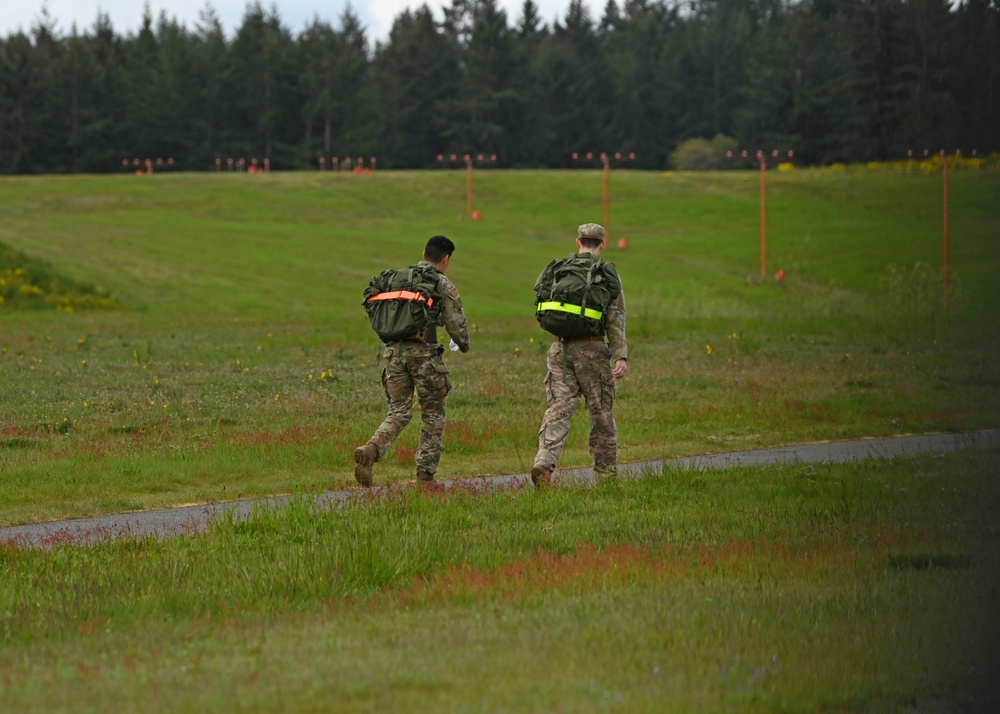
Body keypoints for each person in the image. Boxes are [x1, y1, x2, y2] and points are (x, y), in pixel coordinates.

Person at [353, 235, 470, 487]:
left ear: (424, 253)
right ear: (446, 258)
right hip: (424, 356)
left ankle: (371, 449)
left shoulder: (399, 278)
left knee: (398, 412)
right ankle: (425, 477)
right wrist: (463, 344)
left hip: (393, 354)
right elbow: (455, 322)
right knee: (432, 414)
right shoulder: (440, 283)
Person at [530, 223, 628, 488]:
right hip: (592, 351)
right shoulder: (606, 274)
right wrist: (621, 356)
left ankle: (544, 462)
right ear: (602, 244)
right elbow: (615, 318)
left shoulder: (560, 270)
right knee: (601, 413)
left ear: (578, 242)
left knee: (559, 408)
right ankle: (606, 476)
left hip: (560, 349)